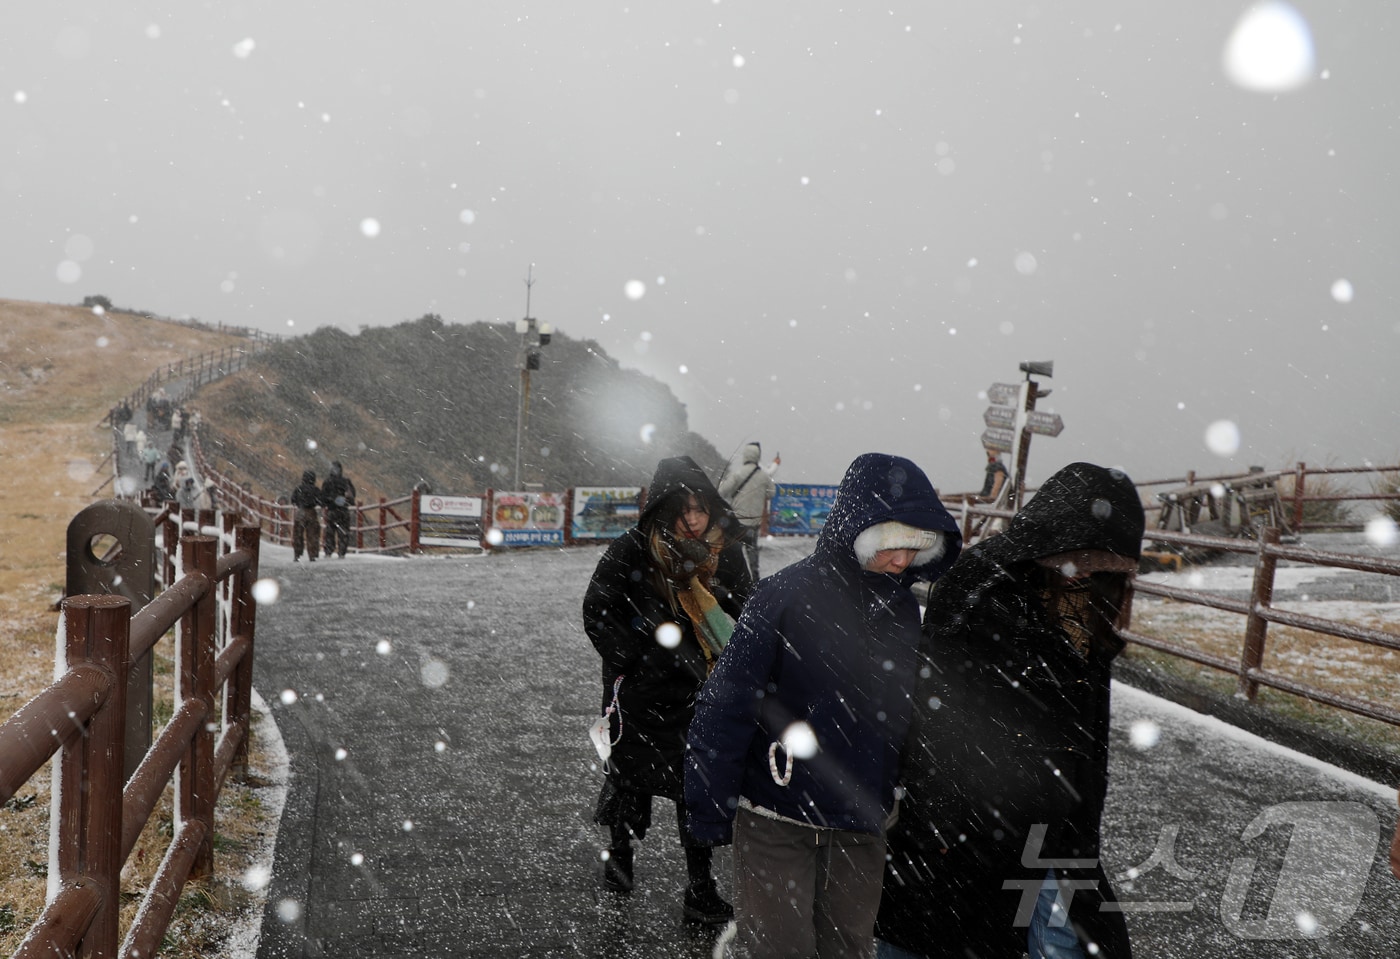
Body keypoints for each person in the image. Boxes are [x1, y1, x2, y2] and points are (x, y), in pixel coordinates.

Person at [685, 452, 962, 959]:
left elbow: (911, 714)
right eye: (892, 546)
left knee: (849, 948)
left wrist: (916, 800)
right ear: (860, 532)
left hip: (861, 822)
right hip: (777, 816)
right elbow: (725, 705)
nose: (902, 561)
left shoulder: (903, 610)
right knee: (780, 948)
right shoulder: (782, 596)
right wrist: (710, 806)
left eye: (914, 549)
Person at [875, 462, 1146, 959]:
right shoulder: (979, 586)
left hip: (1053, 820)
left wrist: (1082, 817)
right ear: (1054, 535)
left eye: (1108, 561)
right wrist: (936, 816)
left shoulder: (1090, 603)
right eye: (1085, 554)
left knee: (1061, 935)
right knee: (939, 930)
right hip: (968, 818)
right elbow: (936, 707)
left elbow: (1089, 727)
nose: (1090, 569)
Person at [582, 455, 754, 925]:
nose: (694, 520)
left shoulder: (729, 552)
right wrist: (631, 656)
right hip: (640, 693)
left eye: (701, 509)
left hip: (699, 692)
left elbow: (749, 610)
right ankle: (618, 855)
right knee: (626, 775)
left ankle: (700, 890)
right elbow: (598, 607)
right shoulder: (634, 549)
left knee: (691, 787)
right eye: (684, 509)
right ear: (664, 509)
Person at [718, 442, 778, 581]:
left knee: (734, 550)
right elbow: (772, 493)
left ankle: (734, 576)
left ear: (745, 455)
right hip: (753, 522)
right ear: (757, 456)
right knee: (752, 551)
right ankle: (754, 578)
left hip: (738, 520)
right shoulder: (763, 476)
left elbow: (722, 491)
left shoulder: (738, 473)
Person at [321, 460, 357, 558]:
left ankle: (328, 551)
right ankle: (342, 552)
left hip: (332, 511)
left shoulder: (327, 482)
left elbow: (322, 497)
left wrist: (327, 502)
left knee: (330, 531)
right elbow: (352, 495)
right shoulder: (346, 482)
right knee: (343, 532)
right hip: (344, 511)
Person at [291, 469, 322, 562]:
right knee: (312, 535)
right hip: (311, 512)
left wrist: (299, 503)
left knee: (298, 534)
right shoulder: (316, 490)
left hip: (300, 511)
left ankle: (297, 554)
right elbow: (320, 501)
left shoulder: (298, 489)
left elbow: (293, 500)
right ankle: (312, 554)